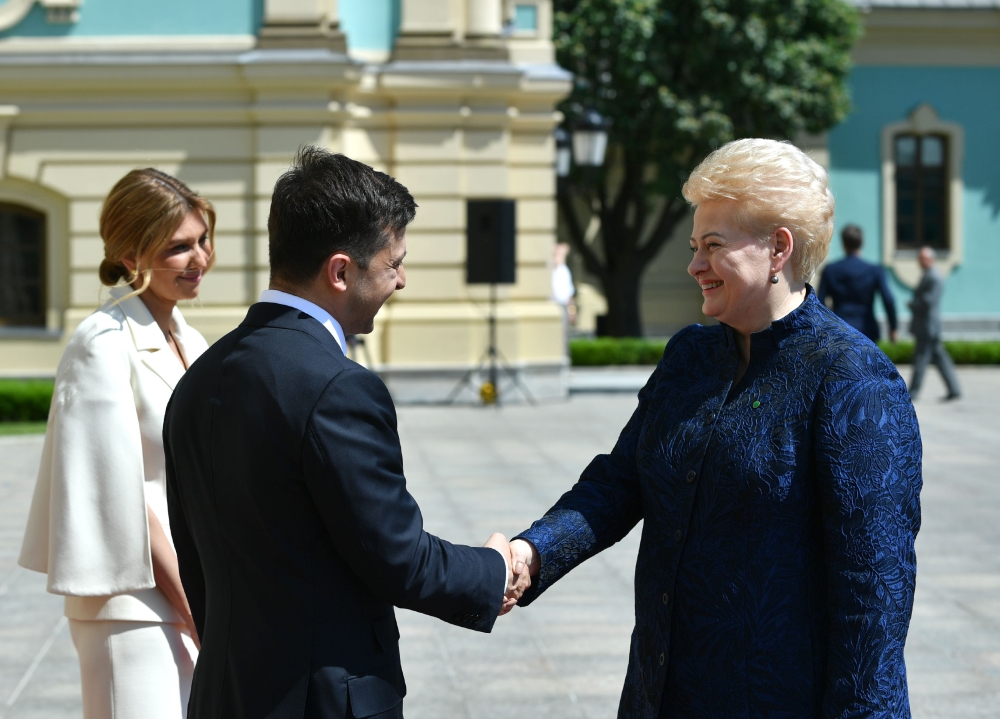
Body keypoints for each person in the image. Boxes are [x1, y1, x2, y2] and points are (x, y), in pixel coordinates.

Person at [505, 139, 923, 718]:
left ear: (778, 248)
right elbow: (618, 483)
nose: (694, 265)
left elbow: (875, 594)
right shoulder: (689, 356)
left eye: (713, 246)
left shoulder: (854, 379)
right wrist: (532, 553)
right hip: (662, 695)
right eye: (694, 246)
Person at [163, 147, 525, 719]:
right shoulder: (337, 387)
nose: (401, 281)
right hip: (325, 701)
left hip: (224, 693)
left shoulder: (197, 379)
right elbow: (398, 557)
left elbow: (199, 565)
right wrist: (495, 567)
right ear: (340, 271)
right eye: (393, 263)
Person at [18, 169, 215, 719]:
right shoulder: (101, 342)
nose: (200, 257)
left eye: (202, 239)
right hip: (128, 604)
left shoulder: (190, 339)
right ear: (129, 255)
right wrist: (199, 607)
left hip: (192, 590)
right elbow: (123, 495)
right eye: (179, 247)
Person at [817, 223, 898, 343]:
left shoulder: (830, 270)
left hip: (838, 328)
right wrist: (893, 327)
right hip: (866, 328)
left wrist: (825, 326)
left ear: (843, 245)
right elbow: (888, 299)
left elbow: (820, 301)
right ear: (862, 243)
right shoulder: (874, 270)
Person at [908, 246, 961, 401]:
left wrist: (913, 304)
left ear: (929, 259)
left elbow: (928, 301)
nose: (919, 262)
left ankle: (913, 392)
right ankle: (954, 388)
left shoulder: (933, 277)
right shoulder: (929, 275)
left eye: (921, 258)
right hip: (927, 326)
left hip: (928, 326)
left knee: (921, 359)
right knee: (939, 358)